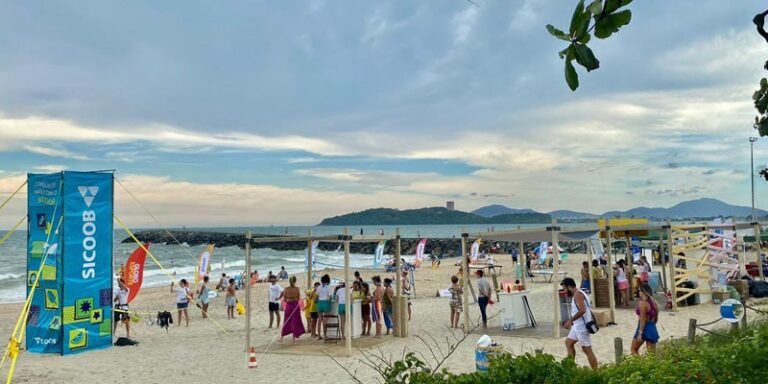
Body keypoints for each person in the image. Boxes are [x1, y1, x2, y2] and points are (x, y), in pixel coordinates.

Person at [561, 277, 598, 370]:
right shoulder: (580, 292)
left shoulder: (578, 294)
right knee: (568, 342)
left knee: (587, 350)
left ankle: (596, 371)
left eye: (565, 289)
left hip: (582, 327)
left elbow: (582, 310)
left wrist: (570, 320)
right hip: (577, 326)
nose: (565, 291)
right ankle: (571, 367)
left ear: (569, 286)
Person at [632, 283, 660, 355]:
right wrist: (651, 326)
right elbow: (656, 319)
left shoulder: (643, 304)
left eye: (639, 290)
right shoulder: (654, 303)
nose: (639, 292)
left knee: (634, 349)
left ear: (643, 292)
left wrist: (640, 333)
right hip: (652, 327)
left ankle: (641, 365)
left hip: (643, 328)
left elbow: (642, 320)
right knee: (652, 355)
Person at [281, 276, 305, 341]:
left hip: (289, 305)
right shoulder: (297, 289)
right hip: (295, 305)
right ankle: (294, 337)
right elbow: (298, 297)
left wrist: (289, 299)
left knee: (286, 320)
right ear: (295, 281)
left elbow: (284, 299)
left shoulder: (286, 289)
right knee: (295, 320)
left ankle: (282, 337)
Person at [315, 274, 332, 339]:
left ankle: (319, 335)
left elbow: (316, 297)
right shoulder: (329, 287)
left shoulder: (319, 287)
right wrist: (329, 303)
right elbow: (330, 297)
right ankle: (325, 335)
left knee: (319, 320)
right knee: (325, 320)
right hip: (325, 303)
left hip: (319, 303)